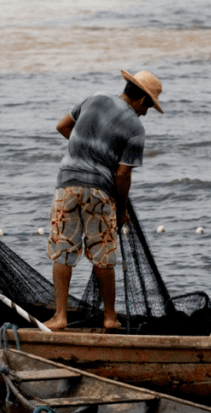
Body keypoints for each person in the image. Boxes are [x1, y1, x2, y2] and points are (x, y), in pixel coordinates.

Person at [44, 70, 164, 331]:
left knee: (63, 251)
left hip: (67, 186)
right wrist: (121, 210)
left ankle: (60, 316)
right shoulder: (136, 128)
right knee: (103, 255)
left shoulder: (93, 99)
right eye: (149, 107)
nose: (146, 113)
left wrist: (86, 147)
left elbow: (62, 126)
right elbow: (122, 176)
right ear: (141, 101)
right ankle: (110, 317)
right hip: (100, 192)